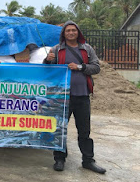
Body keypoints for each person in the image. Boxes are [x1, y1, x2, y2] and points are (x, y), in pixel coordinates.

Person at [43, 20, 106, 174]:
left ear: (78, 32)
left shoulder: (87, 49)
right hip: (62, 97)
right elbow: (47, 70)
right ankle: (59, 159)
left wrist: (80, 67)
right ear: (63, 34)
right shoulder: (57, 50)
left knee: (84, 130)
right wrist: (48, 61)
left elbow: (96, 67)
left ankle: (88, 160)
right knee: (60, 128)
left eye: (73, 30)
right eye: (68, 31)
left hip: (83, 96)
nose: (71, 33)